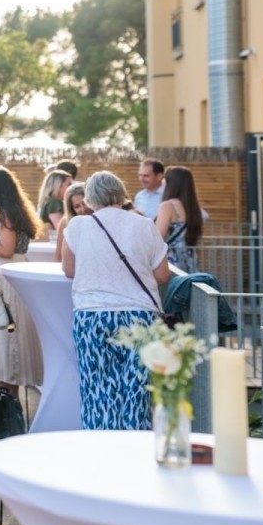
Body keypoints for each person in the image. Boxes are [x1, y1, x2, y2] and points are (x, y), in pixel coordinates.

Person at [60, 172, 170, 430]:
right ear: (121, 193)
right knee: (136, 394)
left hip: (92, 316)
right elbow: (163, 274)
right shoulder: (144, 225)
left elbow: (68, 269)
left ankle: (100, 453)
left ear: (89, 198)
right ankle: (134, 451)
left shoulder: (77, 226)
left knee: (96, 392)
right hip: (139, 318)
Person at [0, 166, 42, 395]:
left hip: (7, 277)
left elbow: (6, 249)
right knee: (7, 334)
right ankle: (6, 388)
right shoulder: (14, 212)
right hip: (13, 273)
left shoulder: (4, 214)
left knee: (7, 336)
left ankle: (8, 393)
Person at [155, 166, 204, 272]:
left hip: (172, 264)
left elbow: (158, 237)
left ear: (171, 184)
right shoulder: (193, 208)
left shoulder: (167, 206)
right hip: (191, 262)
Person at [53, 182, 89, 263]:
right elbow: (58, 256)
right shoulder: (65, 223)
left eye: (85, 203)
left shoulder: (101, 219)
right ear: (71, 209)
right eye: (77, 206)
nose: (83, 209)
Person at [36, 169, 73, 234]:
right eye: (69, 184)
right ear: (58, 186)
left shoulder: (52, 201)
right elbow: (62, 228)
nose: (71, 187)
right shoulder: (53, 203)